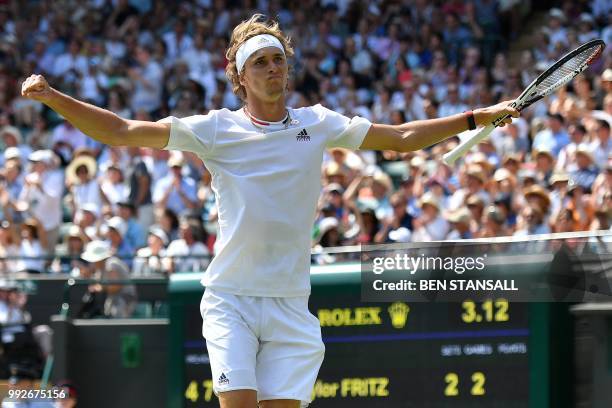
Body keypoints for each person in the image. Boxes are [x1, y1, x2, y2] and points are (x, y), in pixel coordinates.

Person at [21, 14, 518, 408]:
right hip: (231, 300)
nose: (273, 69)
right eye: (260, 63)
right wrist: (52, 97)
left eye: (278, 60)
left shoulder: (320, 123)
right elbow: (122, 132)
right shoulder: (214, 129)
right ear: (240, 76)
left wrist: (475, 116)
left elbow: (402, 138)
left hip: (290, 304)